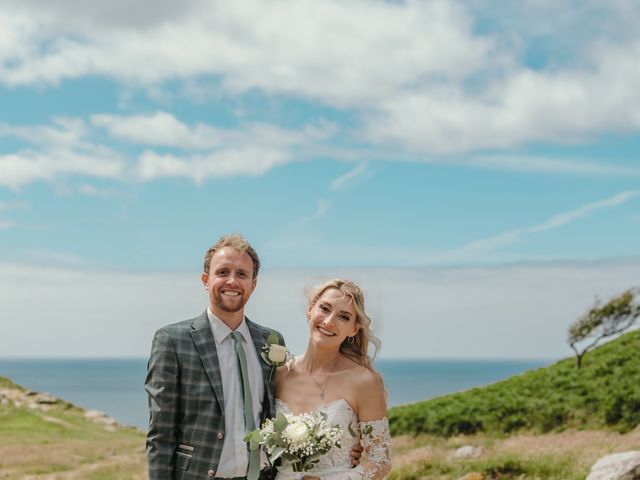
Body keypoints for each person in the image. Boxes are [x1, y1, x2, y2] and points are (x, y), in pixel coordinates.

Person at [145, 235, 362, 480]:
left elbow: (293, 408)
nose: (232, 281)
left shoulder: (270, 341)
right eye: (223, 272)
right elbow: (160, 436)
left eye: (241, 274)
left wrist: (346, 445)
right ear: (206, 279)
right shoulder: (173, 341)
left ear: (253, 284)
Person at [274, 279, 391, 480]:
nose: (329, 322)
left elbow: (381, 461)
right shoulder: (278, 375)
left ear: (354, 329)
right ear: (310, 309)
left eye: (343, 317)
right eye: (324, 308)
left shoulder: (364, 382)